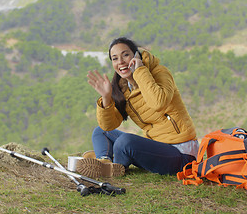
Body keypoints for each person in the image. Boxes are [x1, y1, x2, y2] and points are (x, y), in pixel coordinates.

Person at [76, 37, 198, 178]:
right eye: (115, 58)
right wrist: (106, 97)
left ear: (136, 55)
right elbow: (108, 126)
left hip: (182, 153)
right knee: (100, 131)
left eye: (125, 55)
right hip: (156, 147)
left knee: (125, 142)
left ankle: (114, 162)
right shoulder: (123, 89)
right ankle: (105, 162)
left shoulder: (160, 72)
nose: (120, 62)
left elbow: (159, 102)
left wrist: (139, 69)